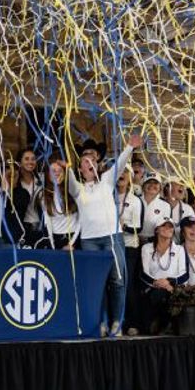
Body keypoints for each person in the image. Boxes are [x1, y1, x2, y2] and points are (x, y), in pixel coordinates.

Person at [68, 134, 142, 338]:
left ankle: (117, 321)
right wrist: (66, 163)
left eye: (92, 160)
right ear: (81, 169)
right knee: (97, 283)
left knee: (117, 280)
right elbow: (69, 179)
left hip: (112, 237)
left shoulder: (107, 181)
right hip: (89, 241)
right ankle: (101, 321)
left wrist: (129, 147)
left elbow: (120, 163)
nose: (89, 162)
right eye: (84, 161)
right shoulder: (78, 189)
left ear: (98, 165)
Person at [139, 217, 188, 334]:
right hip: (153, 288)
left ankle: (164, 324)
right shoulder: (147, 248)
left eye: (170, 226)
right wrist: (157, 283)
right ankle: (161, 324)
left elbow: (184, 274)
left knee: (166, 295)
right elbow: (144, 273)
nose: (168, 229)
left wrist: (170, 283)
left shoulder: (179, 249)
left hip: (173, 288)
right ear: (157, 230)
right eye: (164, 226)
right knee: (158, 294)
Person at [117, 167, 144, 335]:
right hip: (112, 245)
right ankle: (115, 321)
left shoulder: (135, 200)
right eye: (119, 171)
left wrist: (123, 226)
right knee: (113, 285)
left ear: (130, 178)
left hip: (128, 247)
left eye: (125, 172)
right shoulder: (108, 196)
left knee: (127, 285)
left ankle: (132, 322)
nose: (121, 175)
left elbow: (138, 228)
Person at [38, 156, 80, 249]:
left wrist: (71, 243)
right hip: (55, 238)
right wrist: (52, 246)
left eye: (60, 170)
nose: (57, 173)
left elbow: (80, 220)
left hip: (75, 237)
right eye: (53, 170)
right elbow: (48, 223)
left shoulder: (73, 192)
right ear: (48, 174)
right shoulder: (43, 195)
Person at [15, 148, 43, 242]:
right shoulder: (15, 182)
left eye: (33, 159)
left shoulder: (41, 180)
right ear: (19, 162)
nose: (30, 162)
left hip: (40, 227)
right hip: (22, 228)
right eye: (26, 159)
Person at [138, 172, 171, 244]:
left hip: (154, 242)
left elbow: (164, 227)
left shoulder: (165, 205)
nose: (152, 185)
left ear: (160, 187)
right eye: (148, 182)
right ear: (143, 186)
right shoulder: (135, 201)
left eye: (155, 183)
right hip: (134, 241)